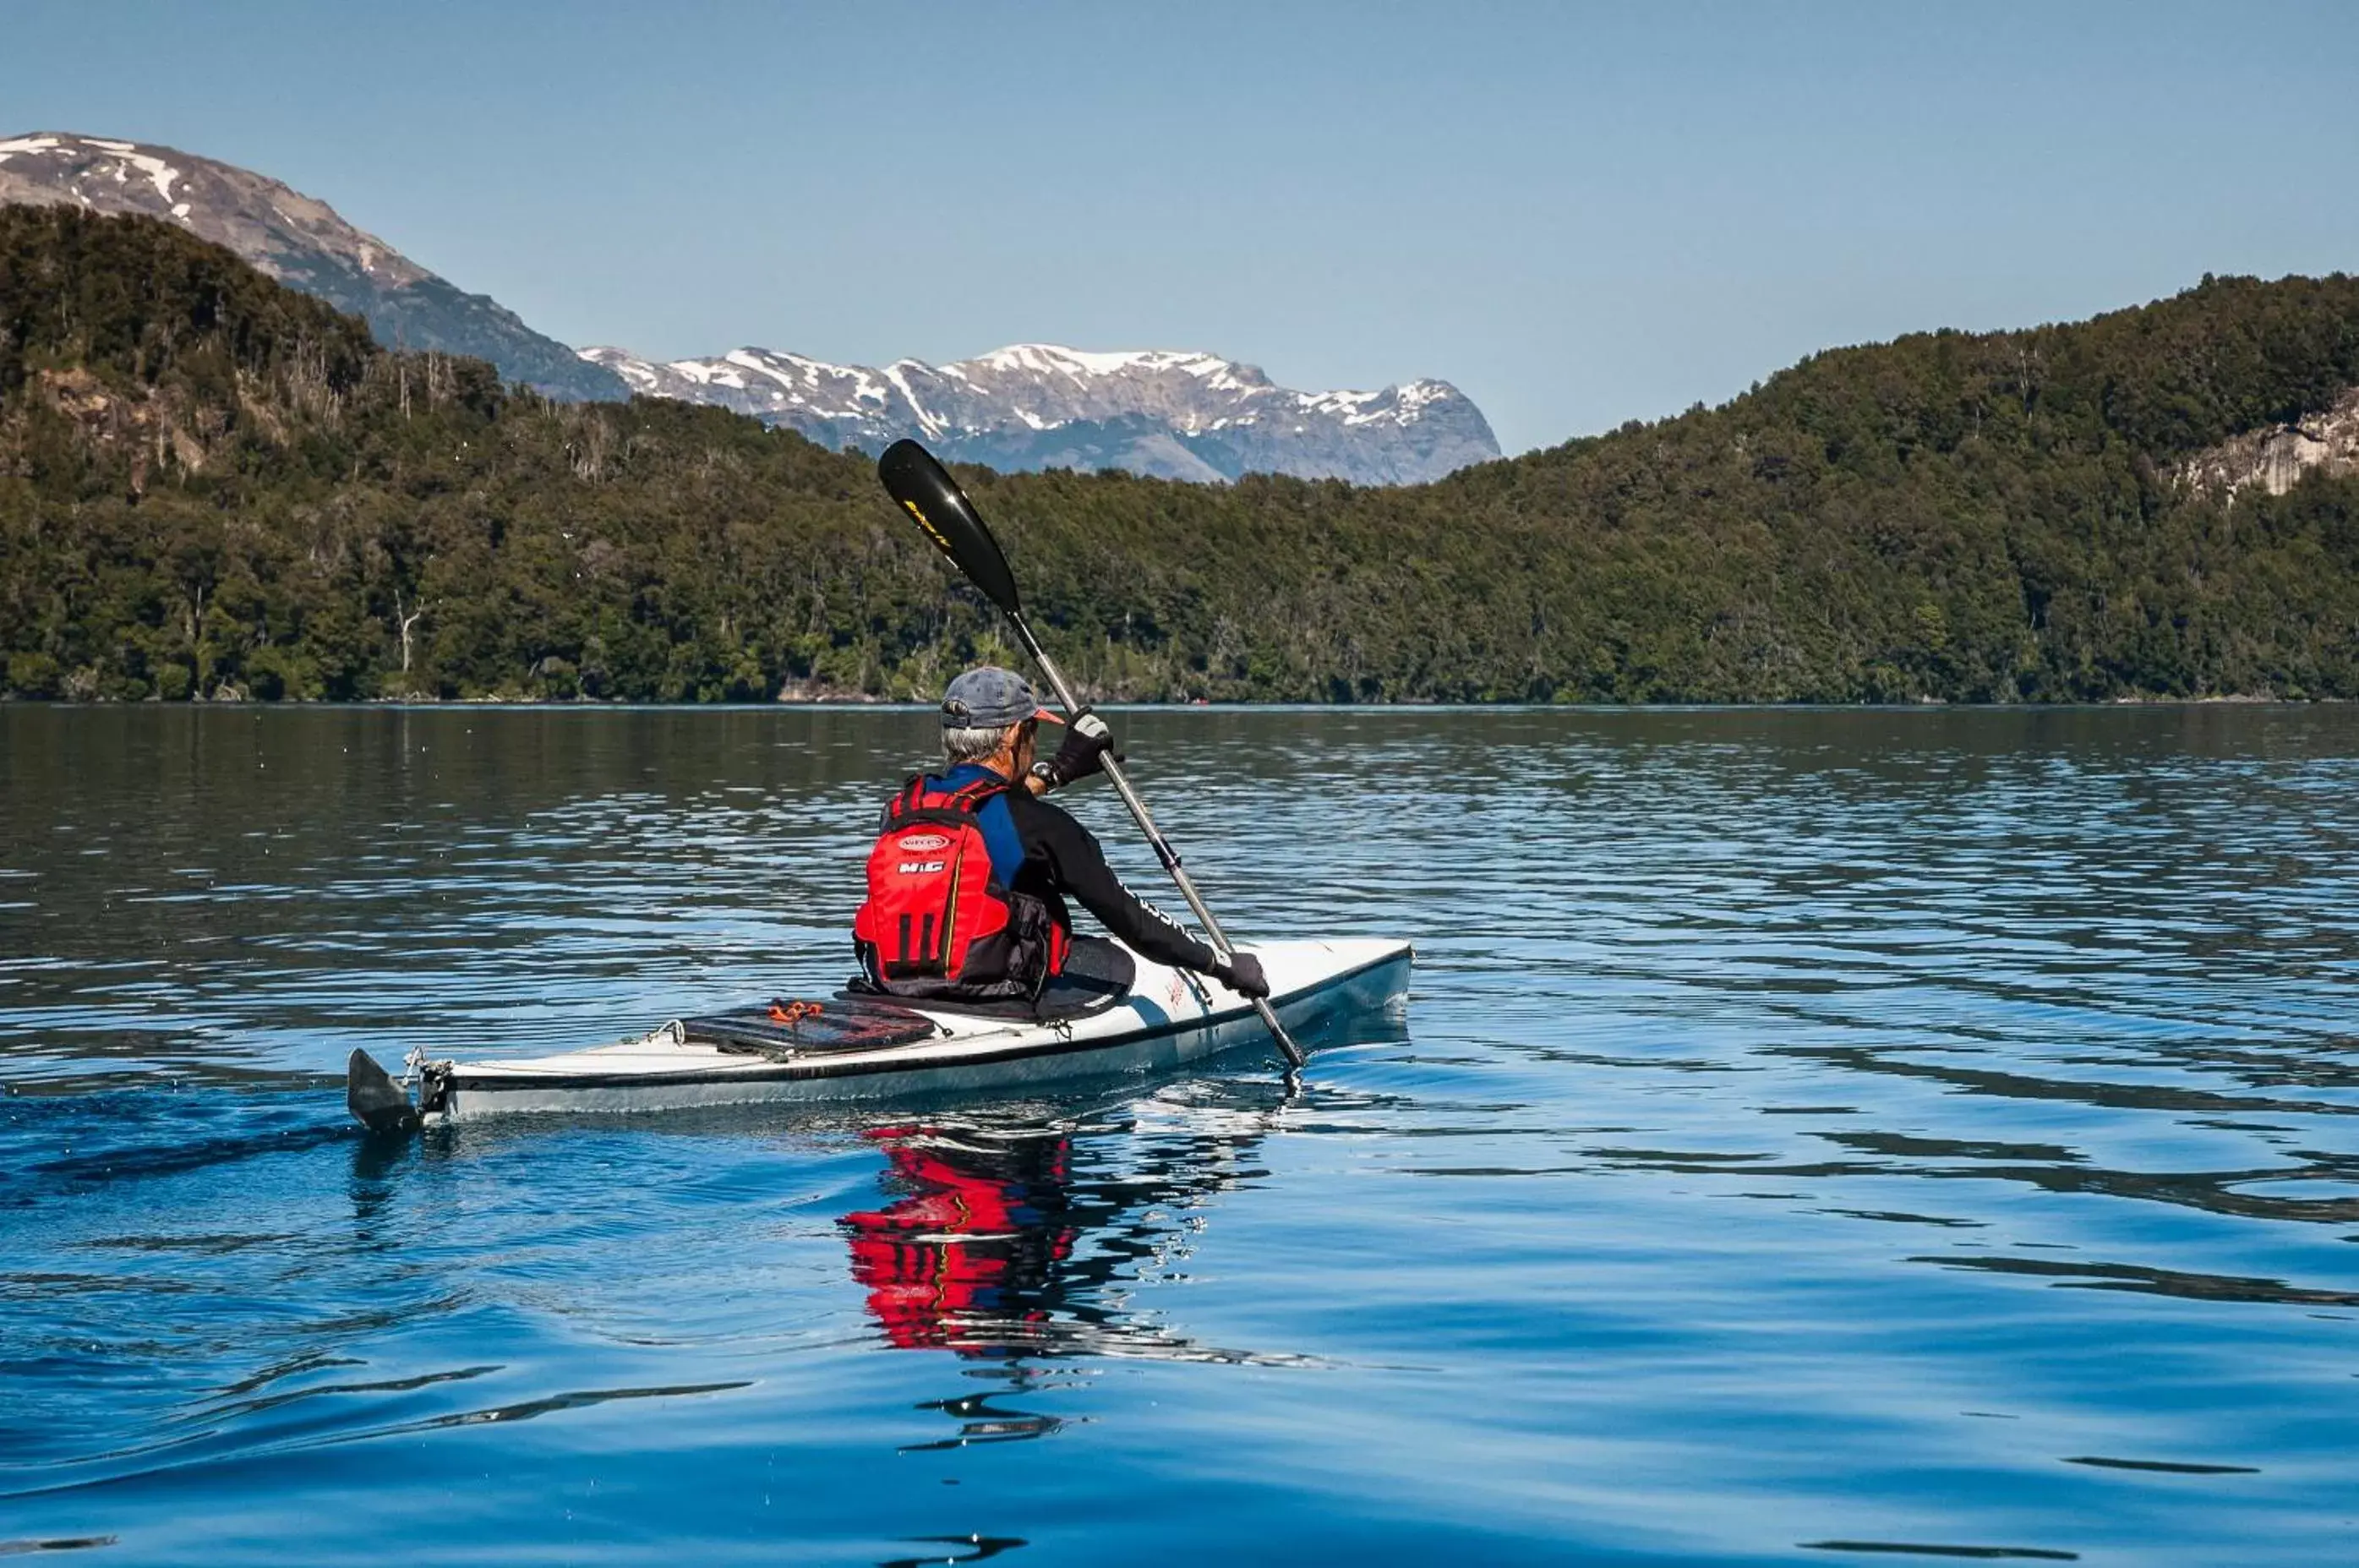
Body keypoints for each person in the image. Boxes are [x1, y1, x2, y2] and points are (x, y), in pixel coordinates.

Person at [852, 666, 1267, 1007]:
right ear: (1014, 735)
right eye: (1032, 732)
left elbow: (986, 806)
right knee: (1115, 961)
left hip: (894, 987)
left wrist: (1060, 770)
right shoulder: (1043, 825)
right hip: (998, 995)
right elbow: (1131, 918)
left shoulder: (904, 807)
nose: (1035, 744)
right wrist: (1220, 965)